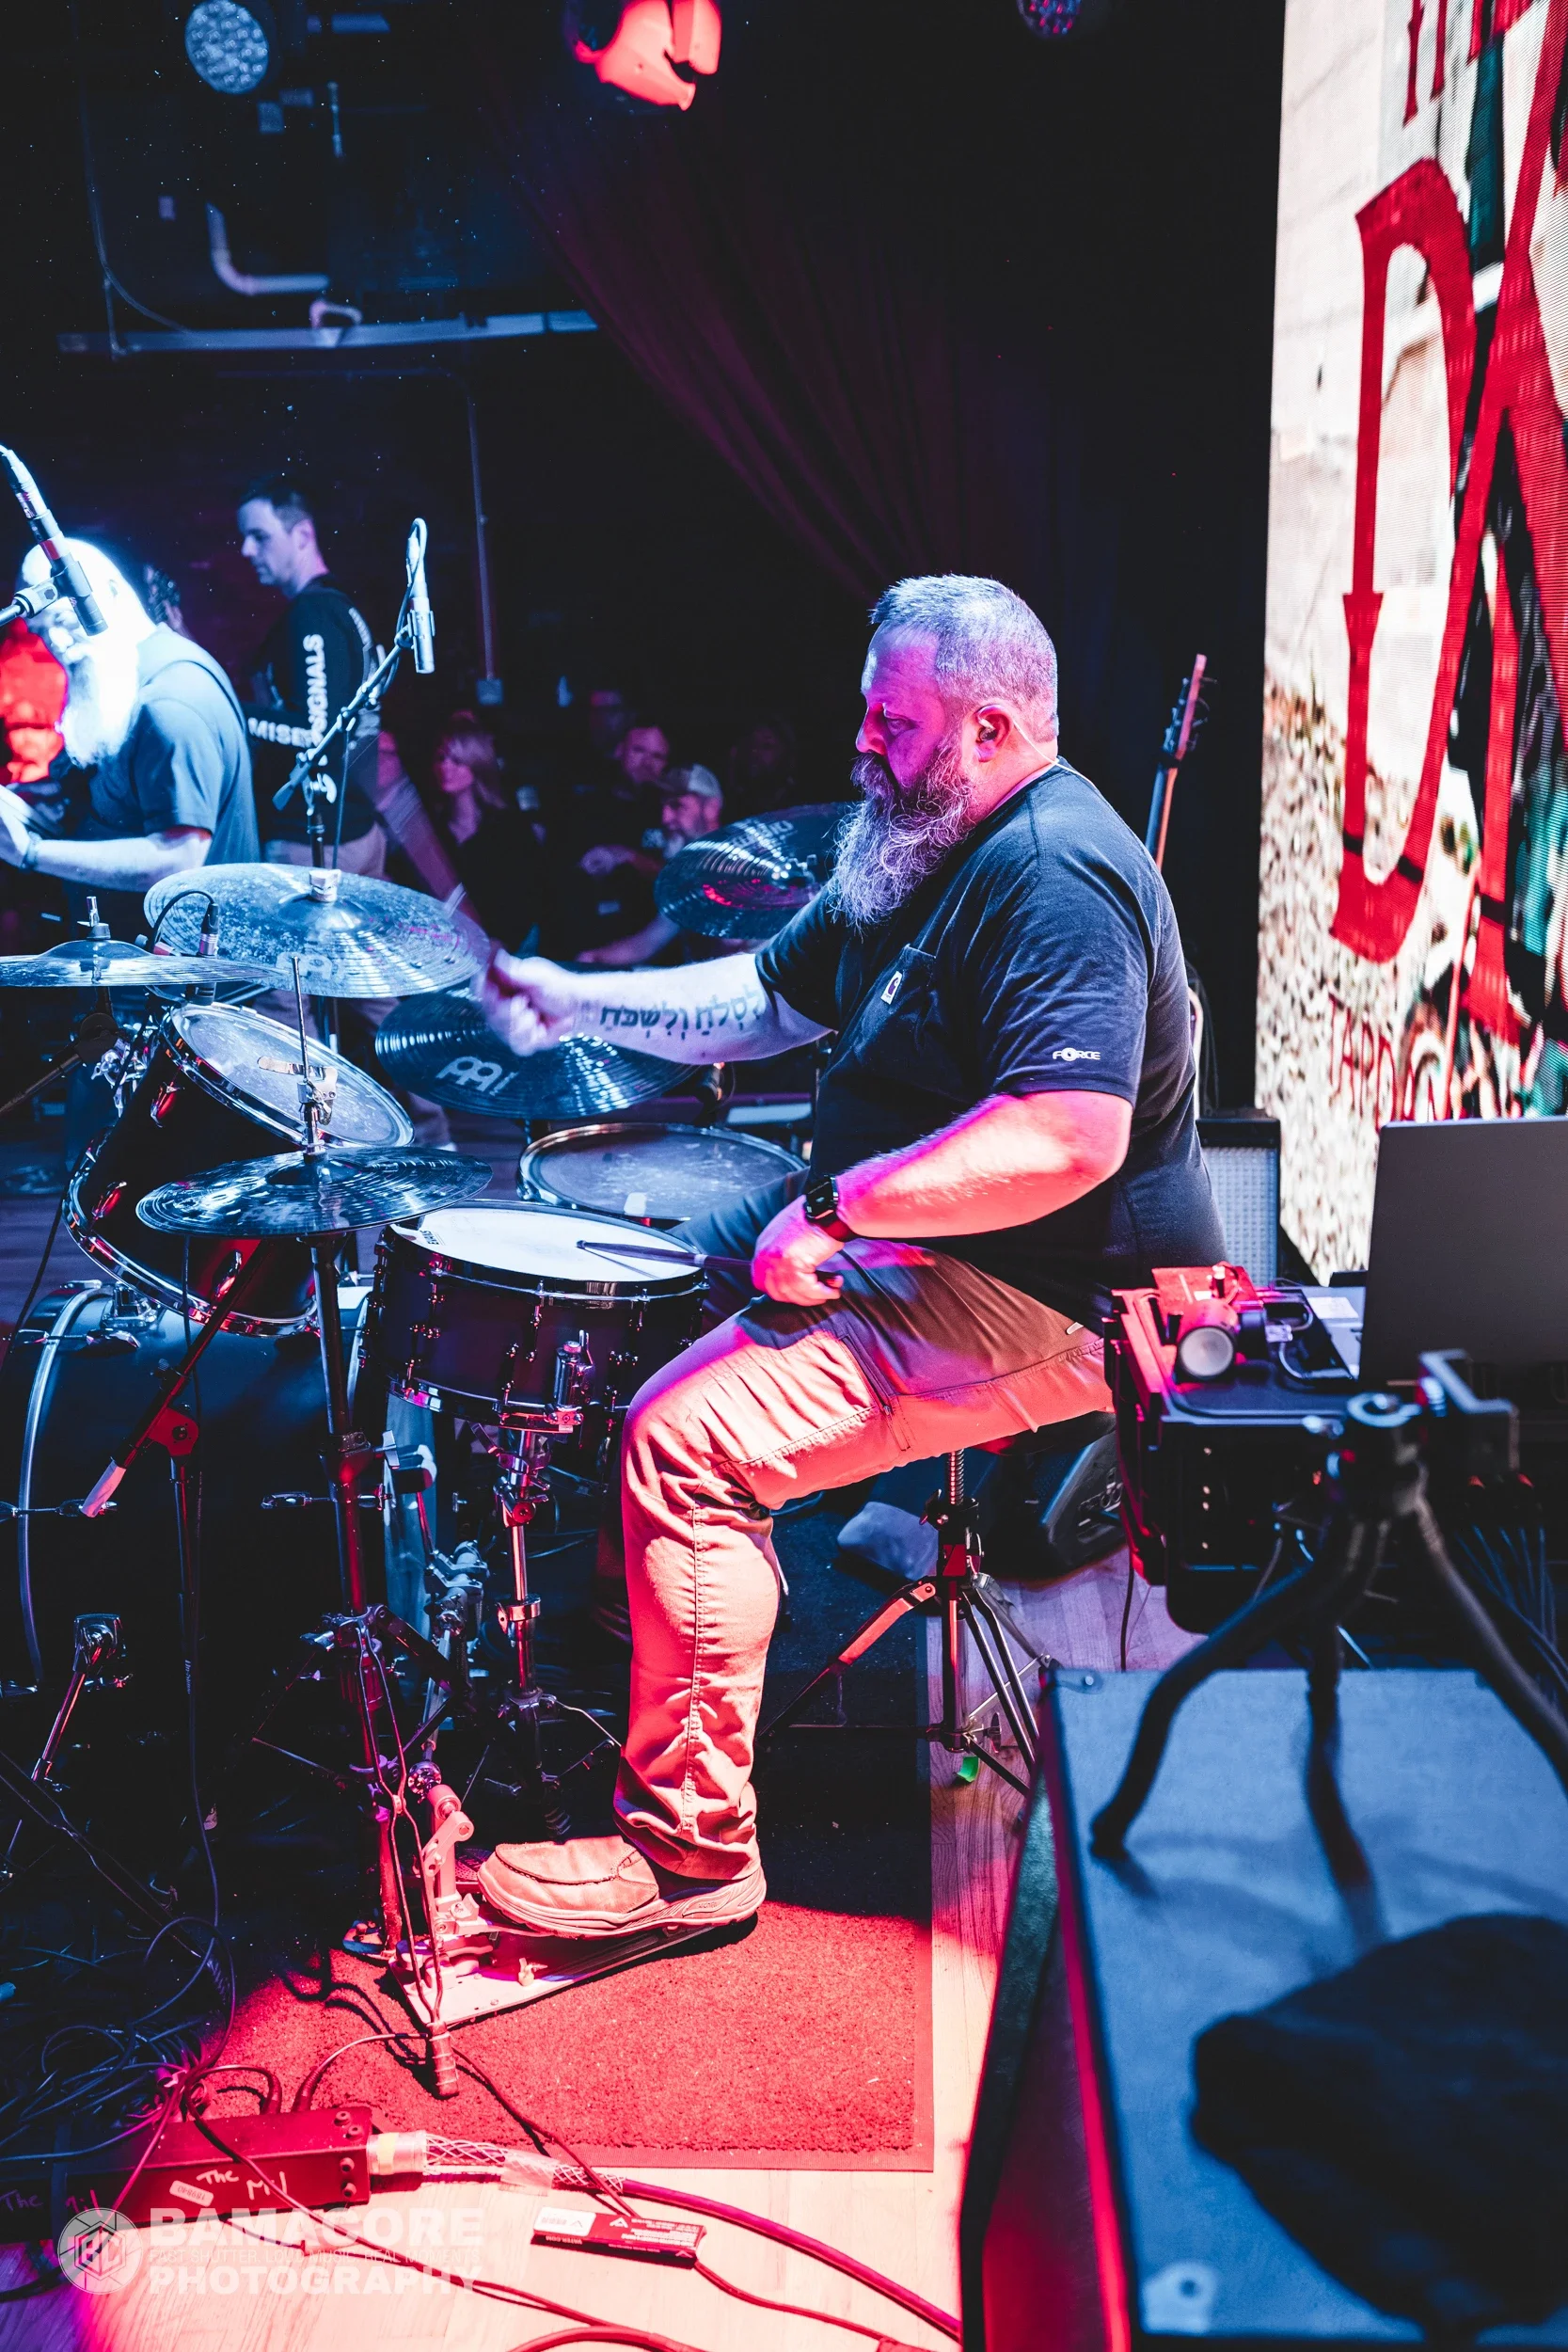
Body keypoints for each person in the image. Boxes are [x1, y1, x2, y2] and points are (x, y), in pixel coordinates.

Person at [477, 572, 1224, 1939]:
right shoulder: (925, 840)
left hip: (1056, 1301)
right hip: (954, 1257)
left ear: (990, 729)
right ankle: (667, 1642)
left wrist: (837, 1215)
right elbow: (765, 994)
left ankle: (693, 1856)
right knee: (662, 1268)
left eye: (895, 723)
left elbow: (1066, 1136)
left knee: (681, 1442)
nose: (861, 747)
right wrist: (579, 1002)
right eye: (866, 715)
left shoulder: (1052, 869)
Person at [0, 538, 255, 932]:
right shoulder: (119, 674)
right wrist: (39, 799)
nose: (58, 645)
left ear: (113, 593)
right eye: (42, 632)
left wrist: (31, 853)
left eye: (64, 622)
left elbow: (178, 859)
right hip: (134, 963)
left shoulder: (170, 701)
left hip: (175, 980)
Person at [237, 475, 385, 872]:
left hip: (313, 841)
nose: (246, 550)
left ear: (302, 534)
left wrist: (232, 712)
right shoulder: (339, 607)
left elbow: (314, 733)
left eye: (259, 536)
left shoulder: (313, 613)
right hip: (355, 830)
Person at [578, 762, 725, 967]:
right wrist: (592, 957)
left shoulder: (733, 864)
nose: (665, 818)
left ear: (710, 808)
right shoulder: (689, 873)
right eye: (663, 806)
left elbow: (740, 946)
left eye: (677, 805)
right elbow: (647, 943)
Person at [548, 716, 672, 959]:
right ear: (619, 751)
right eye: (639, 750)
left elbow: (683, 879)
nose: (647, 763)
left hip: (656, 949)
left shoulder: (670, 813)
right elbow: (557, 877)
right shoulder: (582, 808)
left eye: (657, 756)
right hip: (591, 944)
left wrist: (628, 856)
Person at [430, 711, 543, 955]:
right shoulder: (435, 829)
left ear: (476, 765)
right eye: (441, 758)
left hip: (503, 949)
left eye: (456, 760)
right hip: (447, 950)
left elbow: (527, 896)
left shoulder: (508, 828)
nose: (444, 767)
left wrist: (501, 941)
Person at [727, 711, 798, 818]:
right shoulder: (730, 805)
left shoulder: (802, 806)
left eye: (766, 746)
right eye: (751, 744)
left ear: (787, 754)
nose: (754, 751)